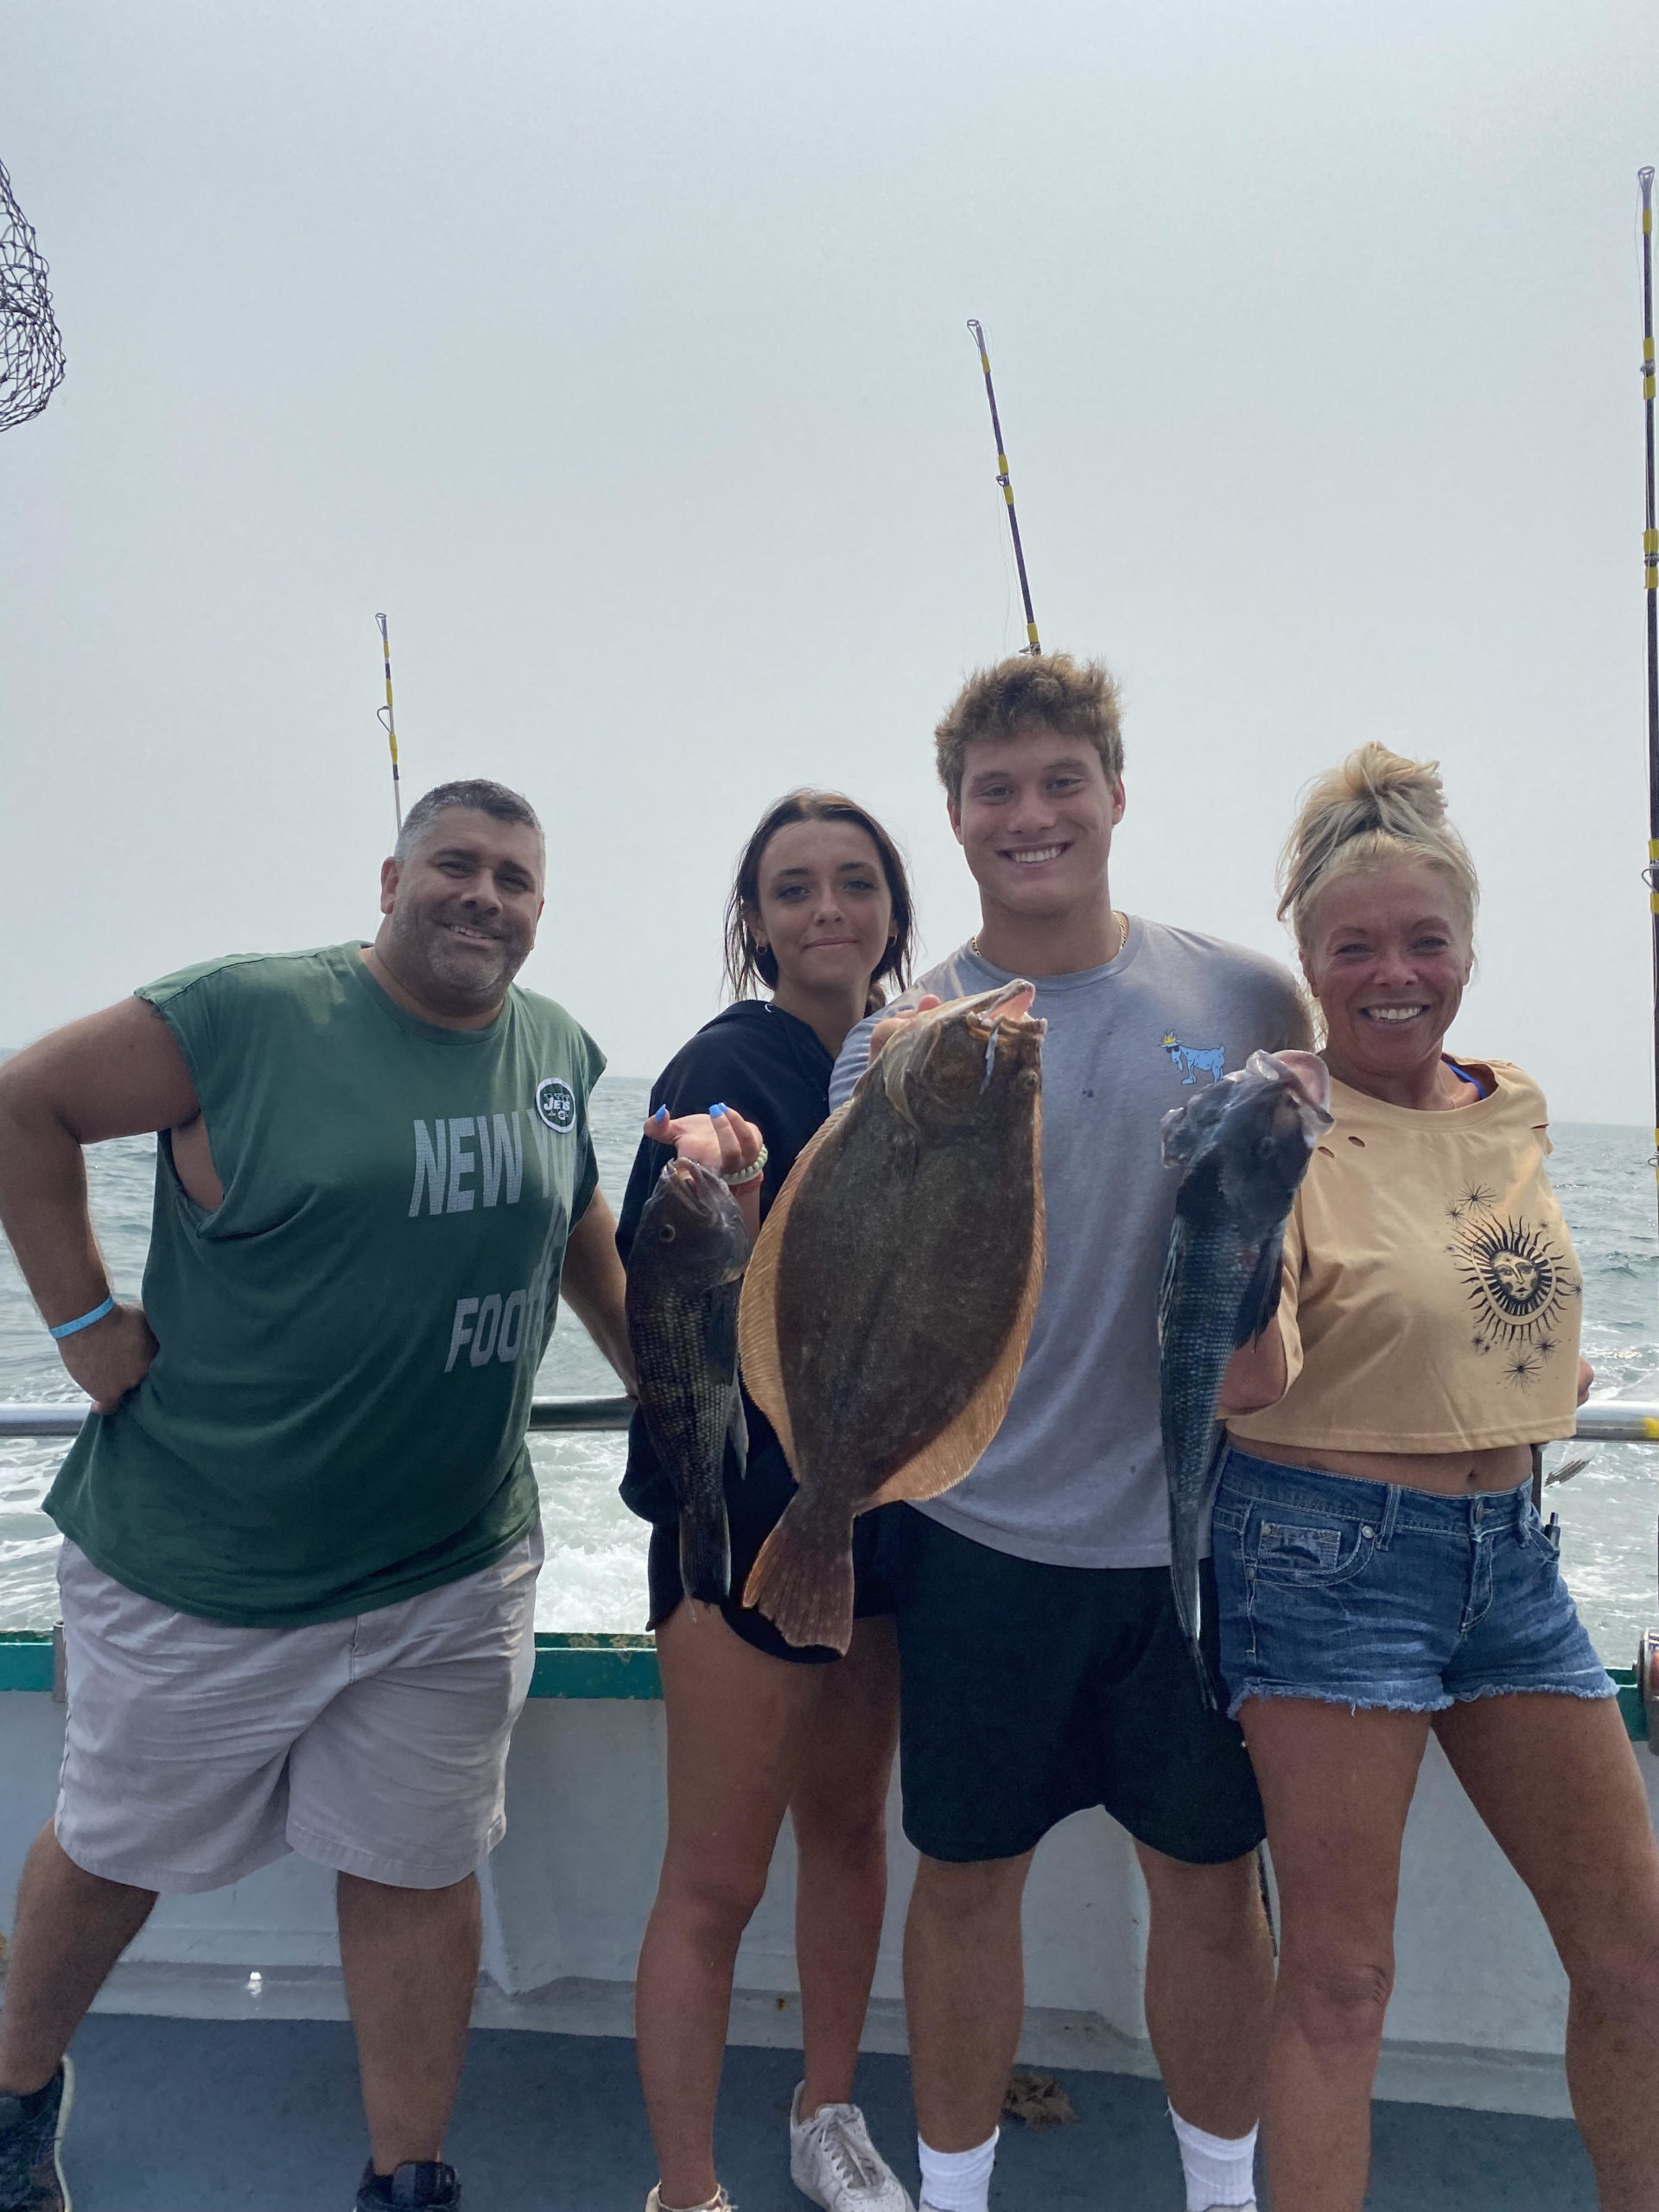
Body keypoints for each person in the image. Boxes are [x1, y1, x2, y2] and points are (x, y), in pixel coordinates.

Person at [0, 779, 722, 2212]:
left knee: (414, 1869)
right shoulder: (246, 1013)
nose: (485, 897)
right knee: (115, 1850)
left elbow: (575, 1220)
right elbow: (26, 1104)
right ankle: (16, 2094)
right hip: (202, 1558)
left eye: (516, 879)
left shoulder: (557, 1048)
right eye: (455, 865)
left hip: (452, 1569)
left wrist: (670, 1381)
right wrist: (82, 1325)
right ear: (388, 879)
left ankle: (408, 2176)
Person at [830, 655, 1309, 2212]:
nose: (1029, 816)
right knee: (964, 1884)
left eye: (1060, 782)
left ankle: (1221, 2195)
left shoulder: (1244, 999)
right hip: (982, 1538)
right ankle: (955, 2199)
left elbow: (1296, 1263)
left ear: (1116, 789)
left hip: (1194, 1531)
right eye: (994, 791)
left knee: (1212, 1886)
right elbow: (839, 1296)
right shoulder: (899, 1037)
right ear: (955, 816)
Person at [1212, 744, 1659, 2212]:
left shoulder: (1511, 1102)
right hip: (1320, 1555)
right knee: (1341, 1981)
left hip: (1512, 1557)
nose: (1394, 974)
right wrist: (1234, 1212)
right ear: (1309, 963)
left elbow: (1483, 1279)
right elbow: (1243, 1377)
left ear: (1467, 951)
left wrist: (1526, 1368)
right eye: (1357, 948)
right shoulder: (1270, 1119)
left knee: (1634, 1952)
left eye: (1425, 942)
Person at [617, 790, 918, 2212]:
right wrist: (706, 1163)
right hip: (737, 1528)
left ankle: (830, 2111)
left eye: (854, 884)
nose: (827, 911)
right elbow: (668, 1209)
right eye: (793, 889)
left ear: (892, 912)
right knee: (716, 1880)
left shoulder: (913, 1059)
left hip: (886, 1516)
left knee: (853, 1830)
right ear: (755, 923)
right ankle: (687, 2188)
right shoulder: (731, 1061)